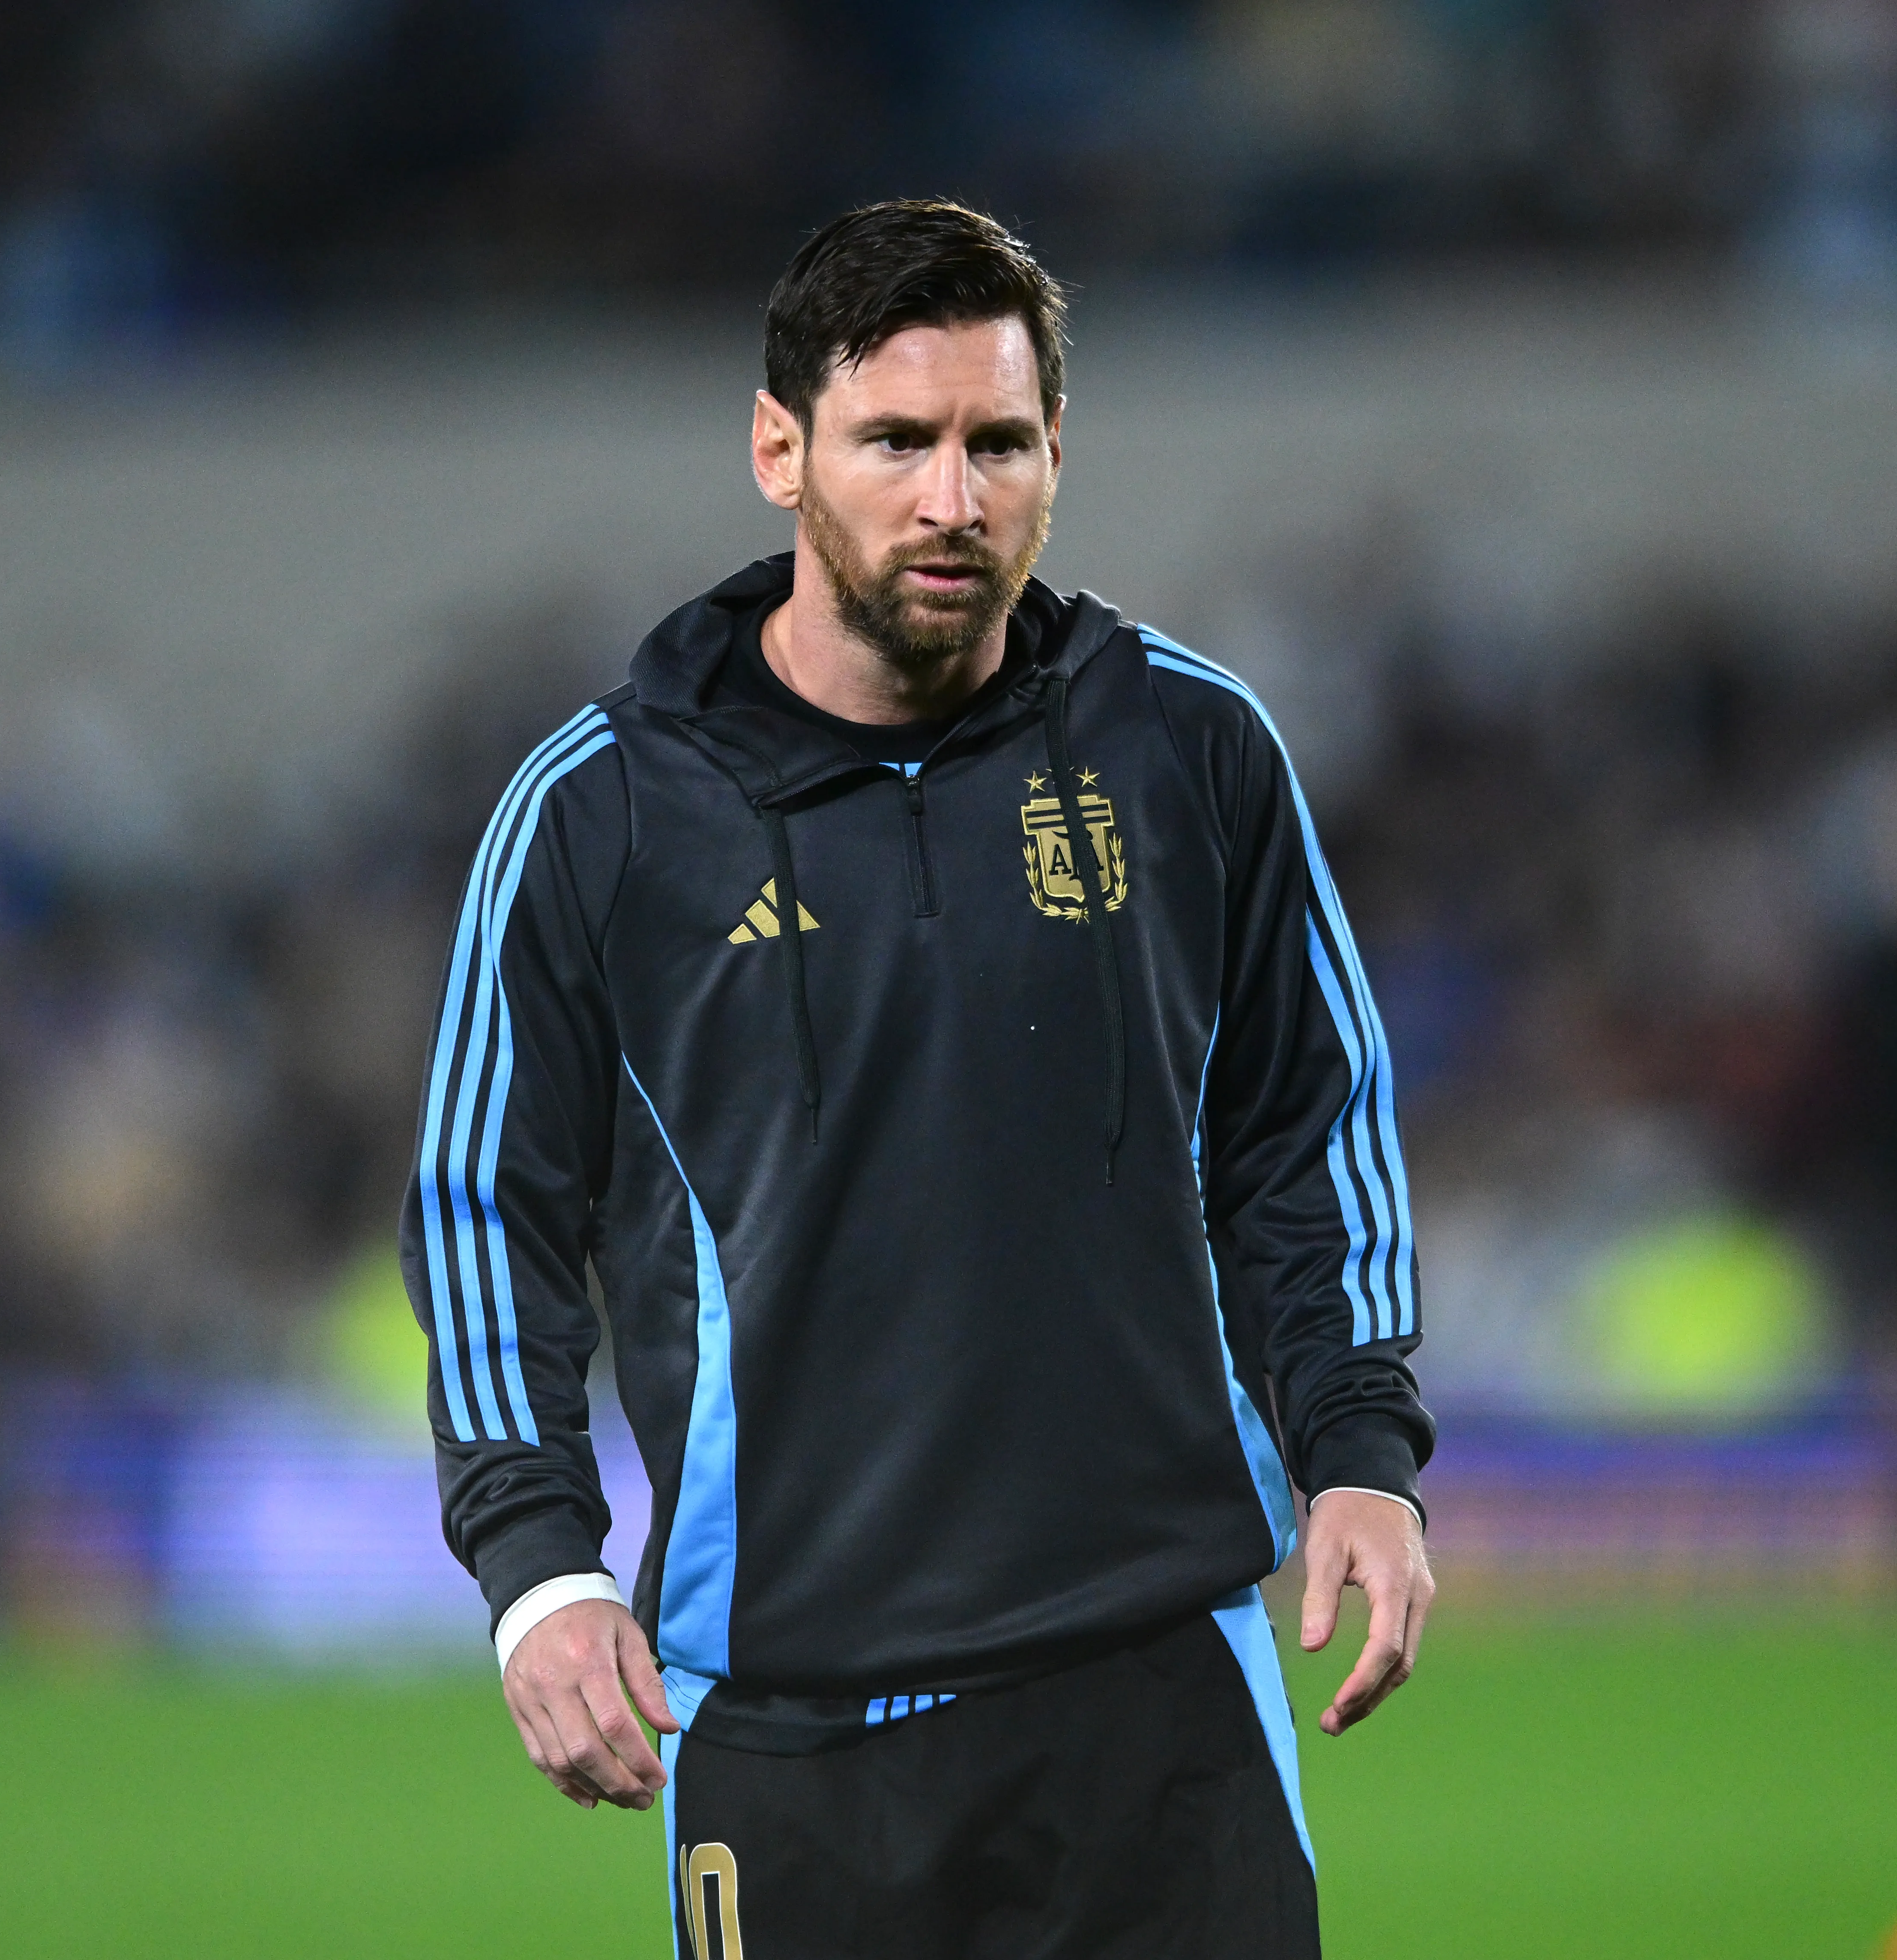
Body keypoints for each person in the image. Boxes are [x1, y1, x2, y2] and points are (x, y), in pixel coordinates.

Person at [401, 200, 1433, 1959]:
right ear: (777, 448)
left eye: (998, 444)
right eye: (896, 441)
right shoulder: (597, 815)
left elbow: (1305, 1129)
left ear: (1053, 458)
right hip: (795, 1727)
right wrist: (539, 1572)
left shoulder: (1186, 748)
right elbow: (483, 1209)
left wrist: (1360, 1449)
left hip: (1161, 1688)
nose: (951, 500)